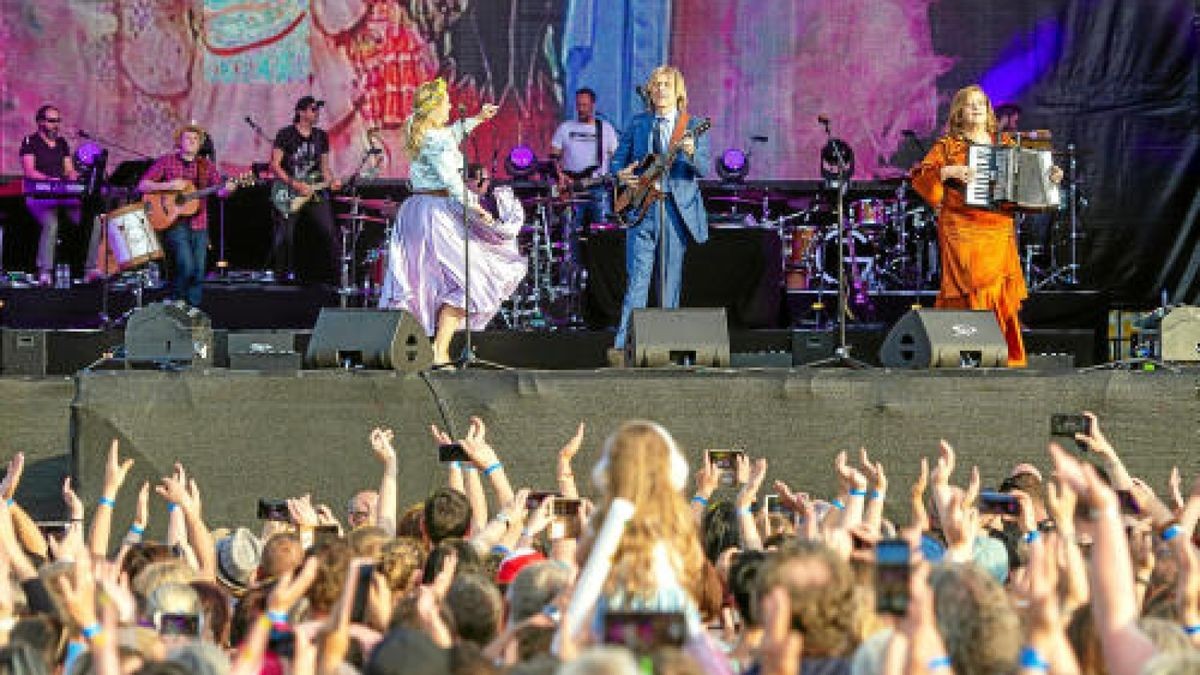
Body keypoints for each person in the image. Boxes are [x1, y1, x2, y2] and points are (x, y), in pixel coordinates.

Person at [910, 85, 1061, 368]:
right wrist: (948, 171)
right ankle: (963, 352)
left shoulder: (1005, 142)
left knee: (997, 290)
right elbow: (921, 177)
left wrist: (1049, 178)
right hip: (961, 226)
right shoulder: (947, 146)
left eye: (982, 103)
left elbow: (1027, 186)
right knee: (968, 287)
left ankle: (998, 354)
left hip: (998, 227)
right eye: (970, 104)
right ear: (959, 113)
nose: (977, 108)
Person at [378, 78, 525, 367]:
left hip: (419, 210)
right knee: (472, 280)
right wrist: (477, 210)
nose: (448, 107)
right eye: (445, 102)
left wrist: (477, 120)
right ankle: (439, 348)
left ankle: (430, 348)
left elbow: (451, 134)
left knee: (425, 280)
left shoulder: (421, 130)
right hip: (436, 213)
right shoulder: (435, 140)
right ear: (434, 108)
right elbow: (452, 181)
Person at [610, 66, 710, 350]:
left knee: (669, 282)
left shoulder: (693, 125)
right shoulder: (639, 123)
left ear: (677, 91)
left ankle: (665, 346)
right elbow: (617, 161)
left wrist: (690, 153)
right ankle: (623, 346)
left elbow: (703, 168)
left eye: (666, 84)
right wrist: (621, 174)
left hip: (675, 211)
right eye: (656, 84)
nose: (660, 89)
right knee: (637, 281)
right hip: (643, 209)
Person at [138, 125, 237, 307]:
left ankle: (193, 311)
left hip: (200, 223)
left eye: (195, 139)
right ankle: (177, 301)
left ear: (200, 144)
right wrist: (168, 186)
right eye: (187, 138)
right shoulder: (166, 161)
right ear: (179, 142)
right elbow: (143, 185)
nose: (191, 142)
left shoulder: (206, 165)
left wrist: (228, 189)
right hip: (174, 222)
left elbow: (219, 192)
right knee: (186, 265)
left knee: (198, 271)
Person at [268, 96, 340, 283]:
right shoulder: (285, 134)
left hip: (315, 191)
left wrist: (331, 181)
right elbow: (275, 165)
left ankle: (330, 277)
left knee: (327, 232)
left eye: (317, 110)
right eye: (312, 109)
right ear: (300, 112)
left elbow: (324, 168)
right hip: (290, 191)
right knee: (286, 236)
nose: (316, 113)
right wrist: (294, 183)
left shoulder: (321, 136)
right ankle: (282, 278)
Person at [550, 88, 619, 268]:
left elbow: (617, 157)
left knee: (601, 231)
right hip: (572, 188)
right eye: (579, 105)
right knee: (571, 232)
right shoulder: (566, 128)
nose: (581, 109)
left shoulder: (605, 129)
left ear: (593, 105)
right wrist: (561, 176)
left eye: (585, 105)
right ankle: (573, 272)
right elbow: (553, 157)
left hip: (597, 187)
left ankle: (601, 271)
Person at [19, 105, 83, 286]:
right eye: (51, 121)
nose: (56, 125)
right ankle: (45, 271)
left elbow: (69, 170)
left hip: (62, 195)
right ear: (40, 122)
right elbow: (29, 171)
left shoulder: (62, 143)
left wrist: (76, 176)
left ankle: (90, 269)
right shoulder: (29, 142)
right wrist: (50, 180)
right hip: (38, 196)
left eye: (58, 121)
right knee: (51, 222)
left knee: (89, 219)